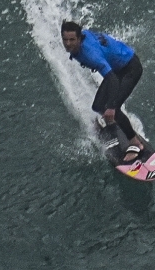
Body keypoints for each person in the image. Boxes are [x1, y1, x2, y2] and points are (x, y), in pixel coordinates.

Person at [60, 19, 147, 162]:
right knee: (98, 106)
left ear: (79, 38)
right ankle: (113, 123)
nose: (68, 43)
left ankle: (135, 143)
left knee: (113, 109)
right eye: (65, 40)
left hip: (130, 68)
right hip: (117, 69)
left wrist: (112, 107)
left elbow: (111, 79)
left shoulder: (90, 55)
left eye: (72, 40)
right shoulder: (83, 39)